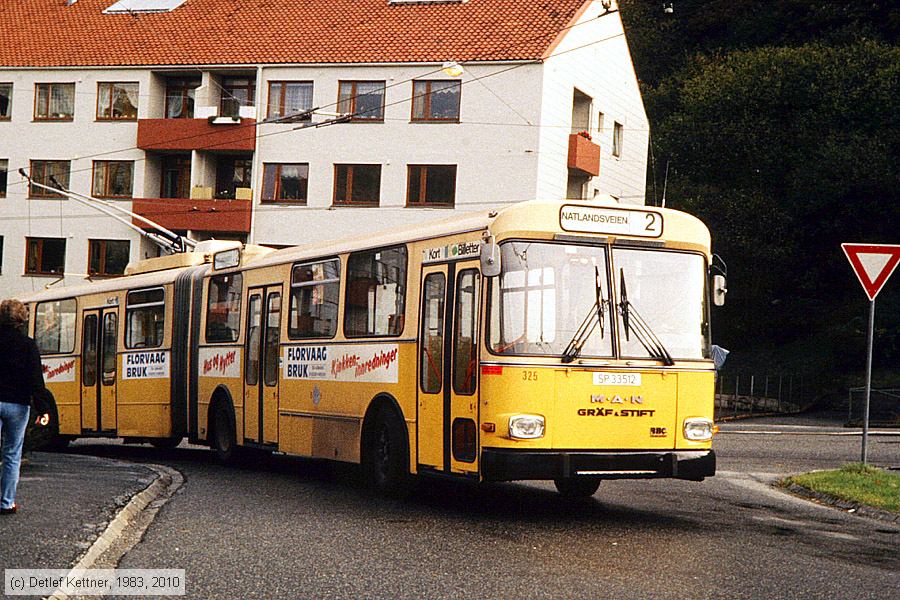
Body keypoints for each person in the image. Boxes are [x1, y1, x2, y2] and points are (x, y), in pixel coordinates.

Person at [0, 299, 51, 515]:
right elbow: (35, 381)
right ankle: (6, 502)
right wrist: (44, 409)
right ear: (22, 319)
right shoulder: (28, 345)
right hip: (18, 406)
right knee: (12, 454)